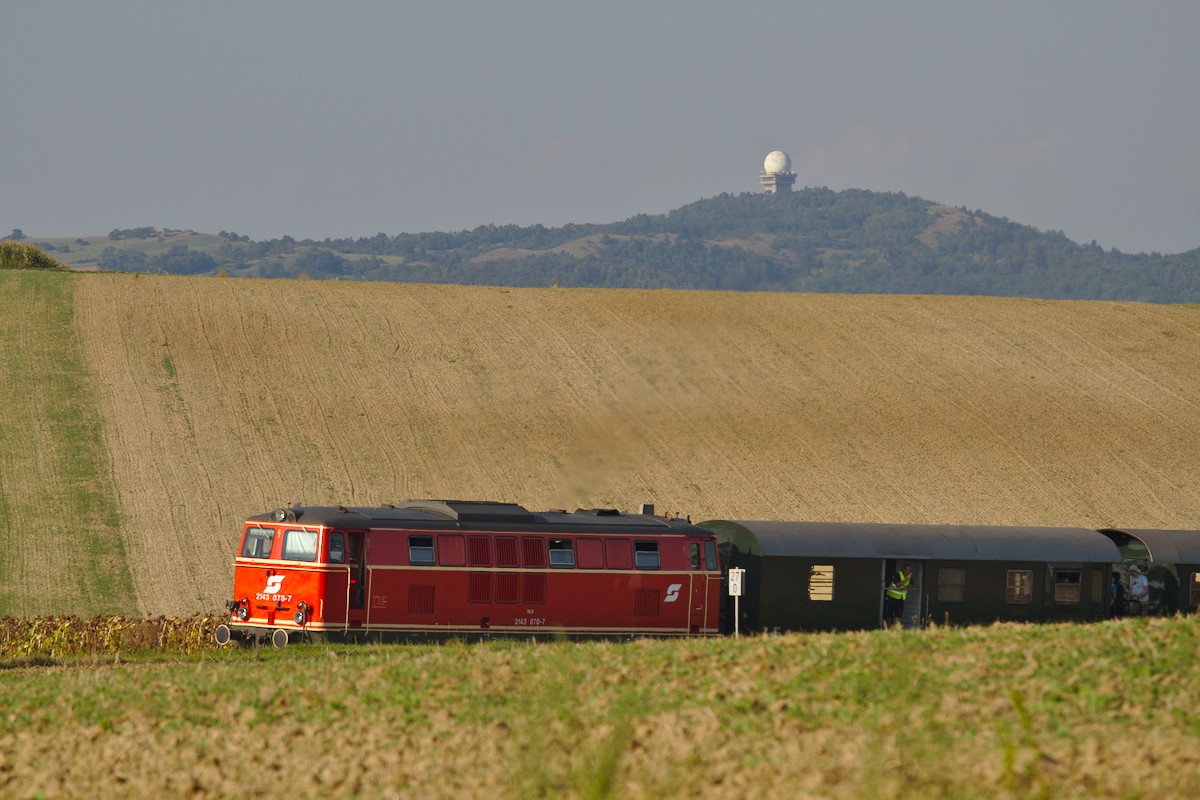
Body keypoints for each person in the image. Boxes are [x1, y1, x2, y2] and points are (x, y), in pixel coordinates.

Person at [884, 563, 913, 628]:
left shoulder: (910, 576)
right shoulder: (897, 574)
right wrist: (906, 580)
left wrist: (907, 587)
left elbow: (911, 584)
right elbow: (898, 585)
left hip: (900, 598)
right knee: (889, 614)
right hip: (891, 597)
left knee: (898, 615)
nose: (908, 571)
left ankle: (895, 629)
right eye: (907, 569)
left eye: (909, 570)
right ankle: (888, 629)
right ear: (904, 569)